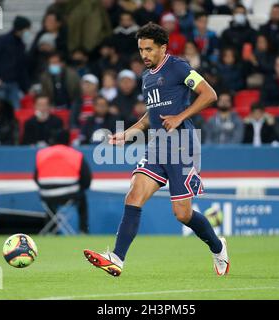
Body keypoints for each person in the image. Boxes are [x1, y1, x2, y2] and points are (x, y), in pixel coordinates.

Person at [83, 23, 229, 278]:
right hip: (157, 146)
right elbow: (151, 117)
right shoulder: (147, 76)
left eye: (149, 49)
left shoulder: (179, 67)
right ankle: (117, 258)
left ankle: (218, 247)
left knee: (182, 214)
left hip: (182, 145)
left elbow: (210, 94)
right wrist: (128, 133)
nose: (144, 55)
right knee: (133, 196)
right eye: (141, 49)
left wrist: (179, 117)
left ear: (163, 48)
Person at [34, 129, 91, 234]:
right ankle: (83, 230)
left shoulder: (41, 154)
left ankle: (51, 230)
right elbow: (87, 179)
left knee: (51, 203)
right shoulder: (76, 154)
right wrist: (80, 189)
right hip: (70, 195)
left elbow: (36, 178)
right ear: (68, 140)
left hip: (46, 195)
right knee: (82, 197)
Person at [0, 16, 31, 109]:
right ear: (21, 29)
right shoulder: (2, 41)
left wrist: (26, 87)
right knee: (0, 110)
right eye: (27, 29)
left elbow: (22, 67)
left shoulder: (21, 44)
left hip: (13, 84)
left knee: (16, 110)